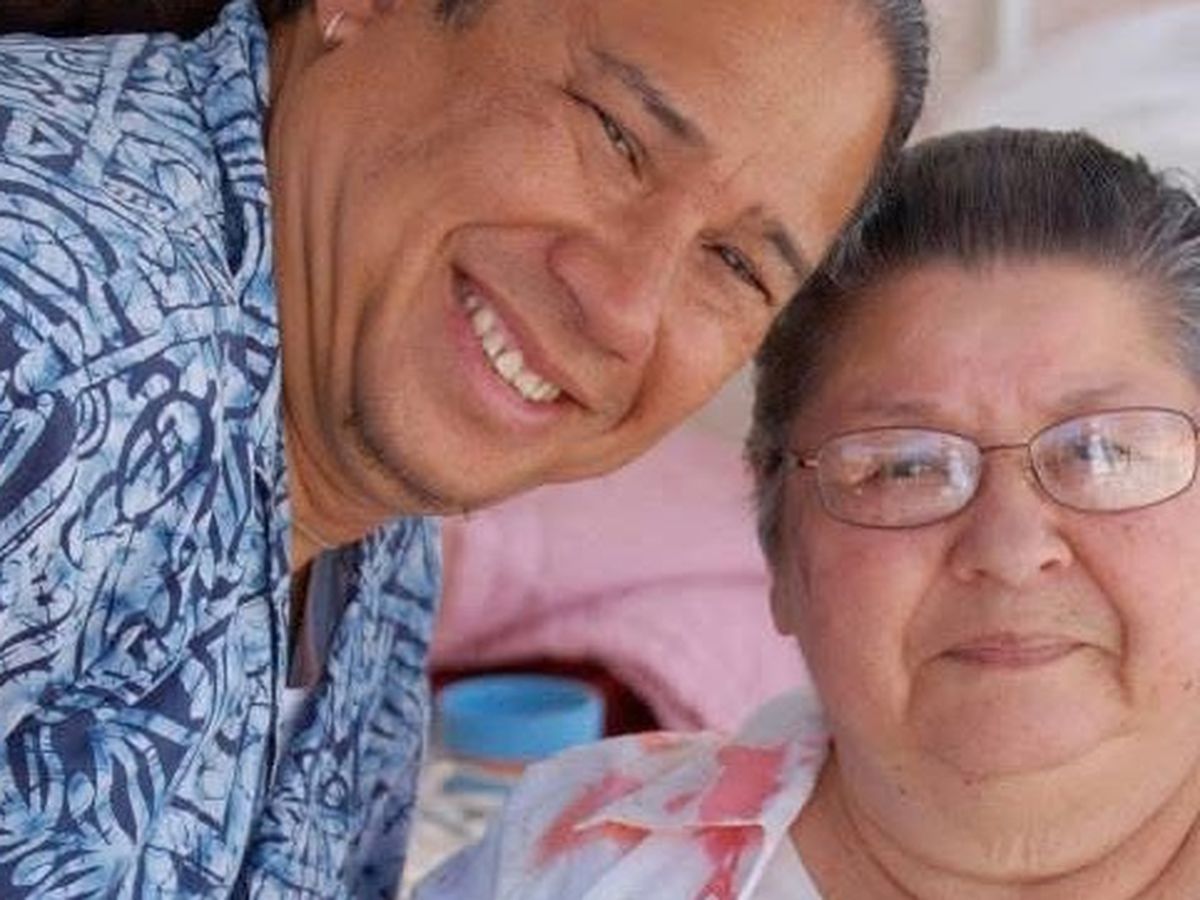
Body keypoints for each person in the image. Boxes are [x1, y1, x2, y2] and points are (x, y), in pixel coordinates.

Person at [0, 0, 930, 896]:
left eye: (734, 265)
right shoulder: (51, 320)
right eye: (616, 136)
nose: (624, 308)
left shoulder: (367, 511)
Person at [415, 127, 1200, 898]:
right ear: (780, 549)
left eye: (1105, 451)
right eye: (904, 467)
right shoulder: (578, 868)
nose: (1010, 547)